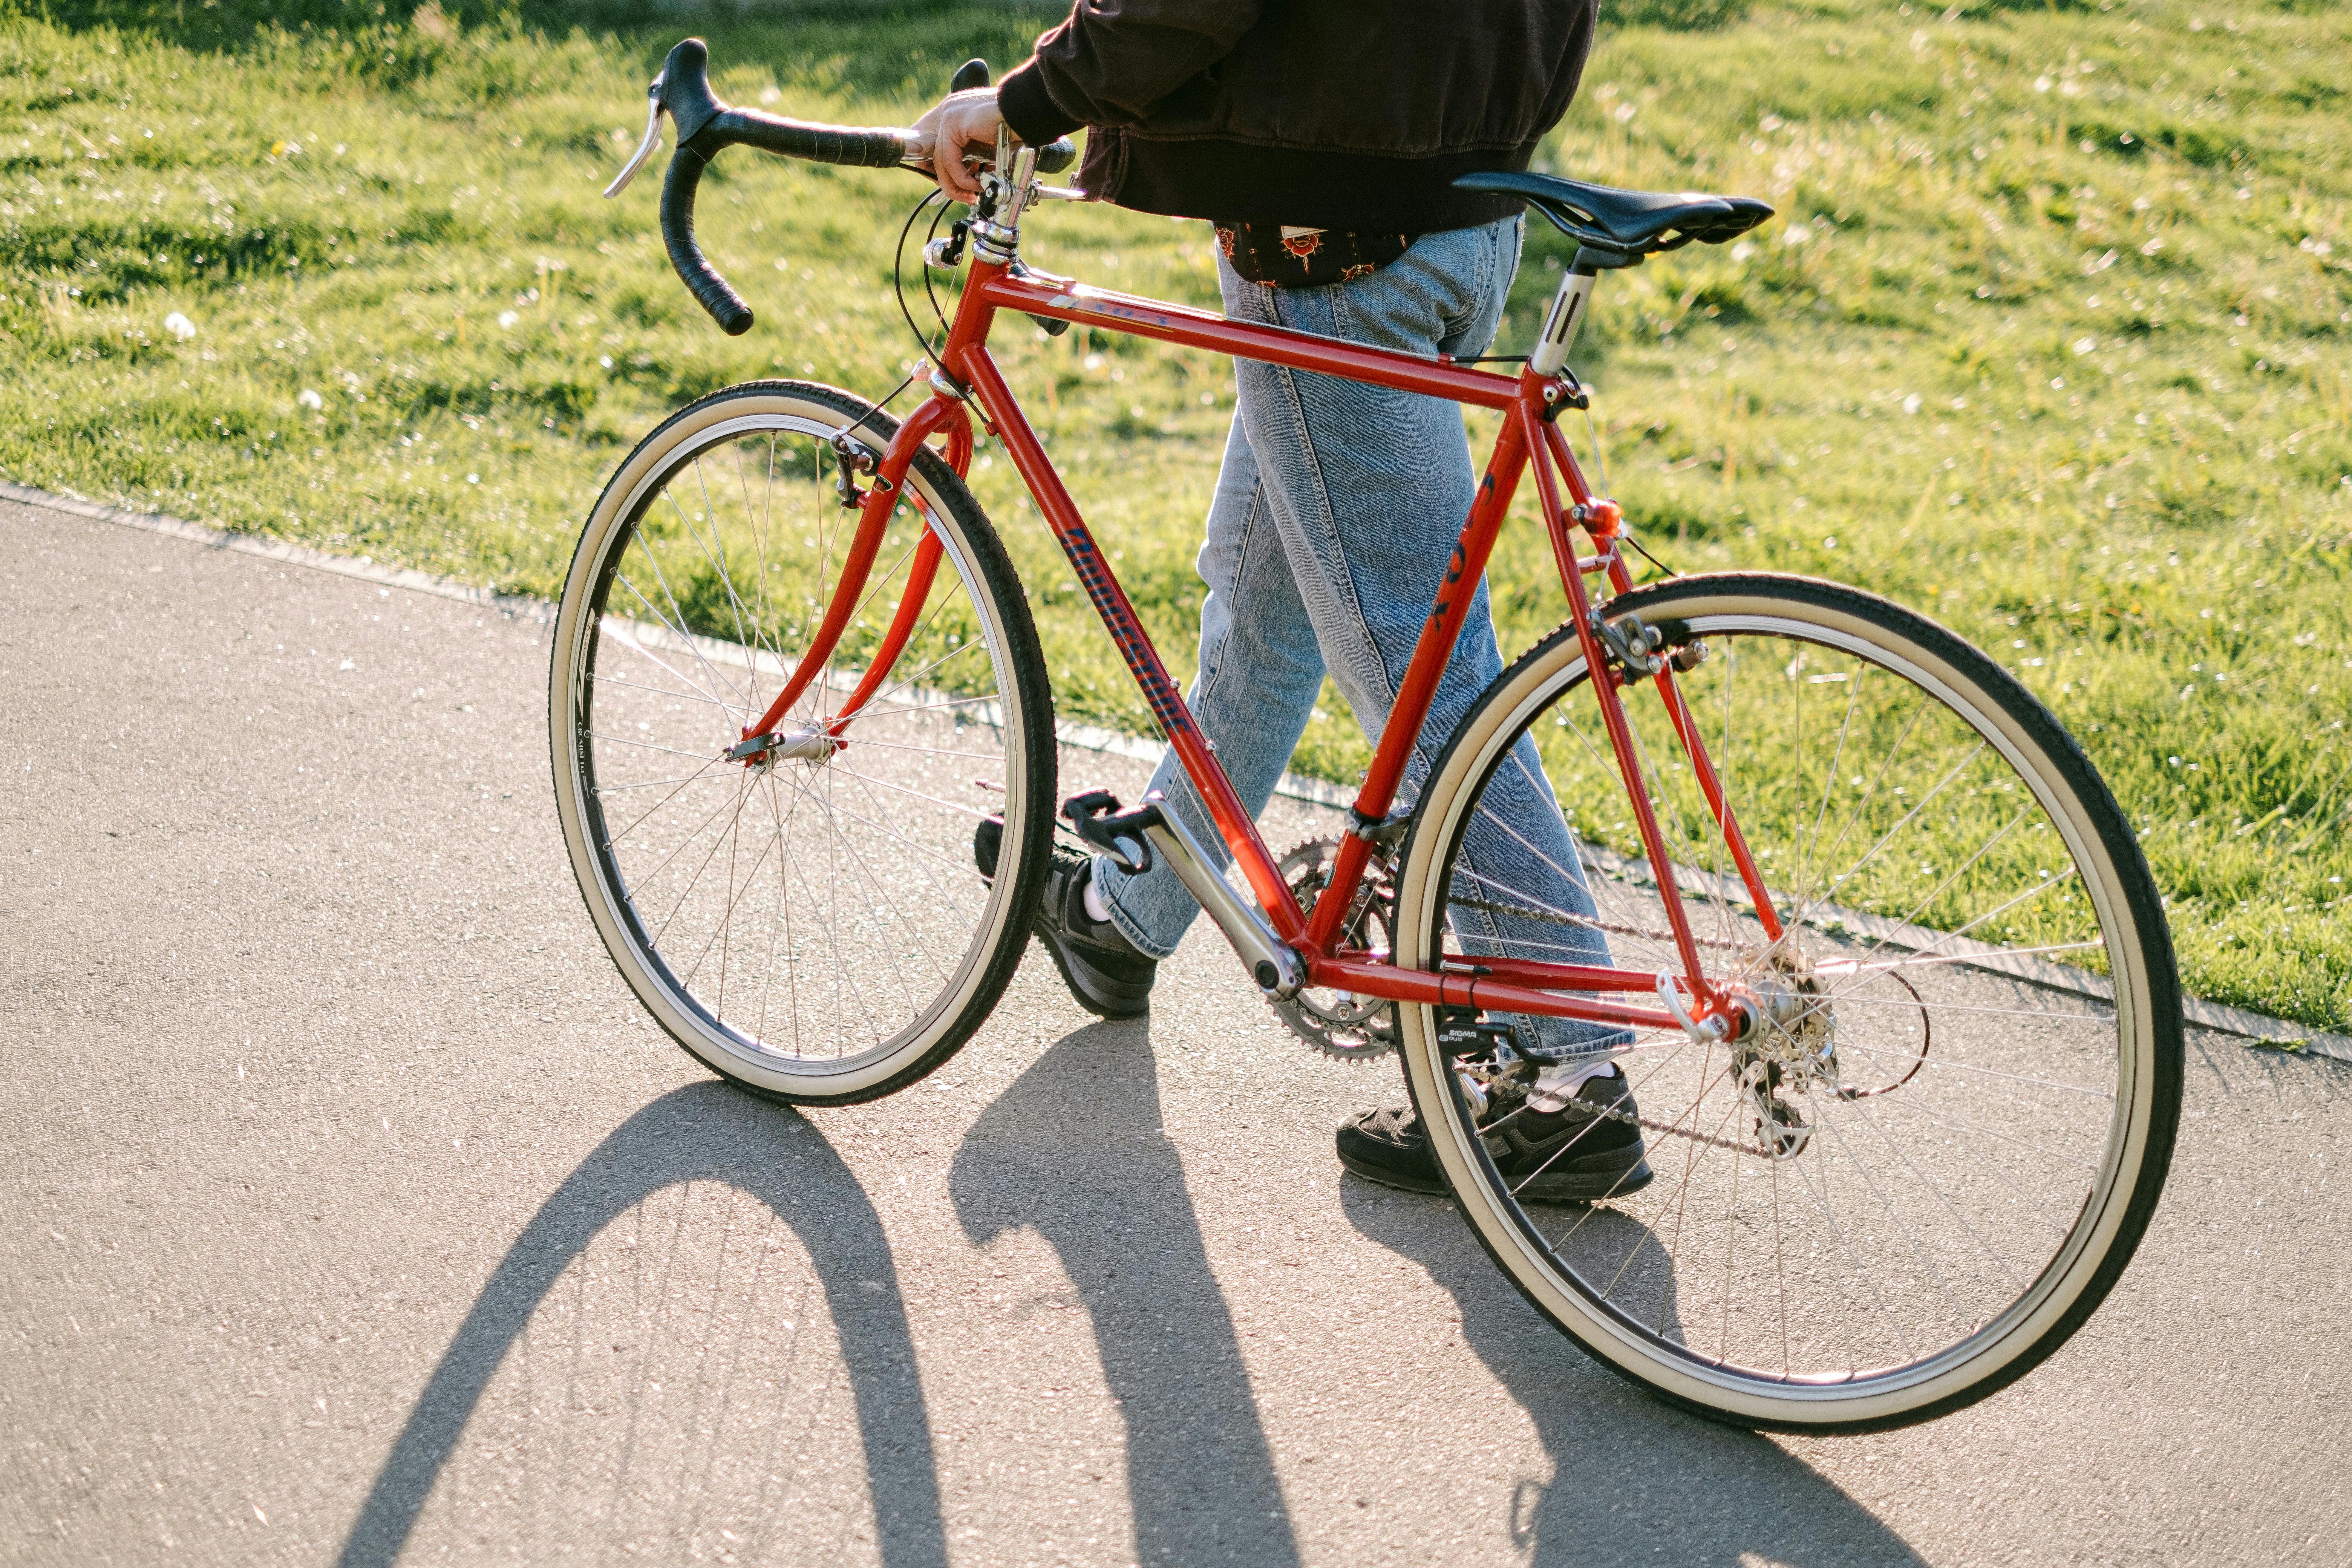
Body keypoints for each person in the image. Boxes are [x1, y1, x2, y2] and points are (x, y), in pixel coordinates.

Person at [911, 0, 1651, 1202]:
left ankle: (1568, 1070)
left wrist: (1027, 101)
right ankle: (1128, 907)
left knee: (1417, 673)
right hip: (1464, 201)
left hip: (1332, 239)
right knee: (1272, 597)